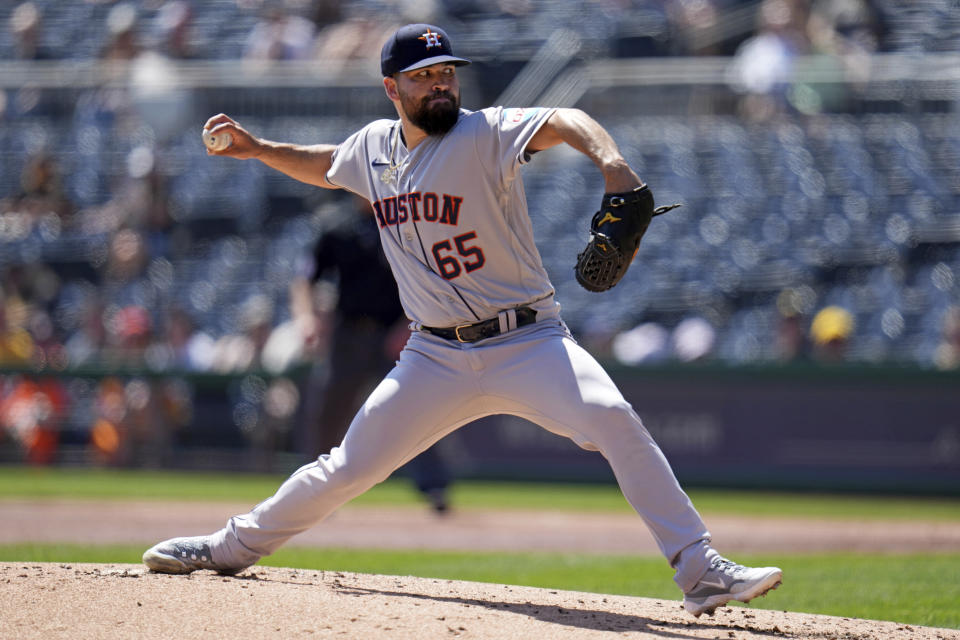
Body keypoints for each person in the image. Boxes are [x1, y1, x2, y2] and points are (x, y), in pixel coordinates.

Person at [142, 23, 782, 618]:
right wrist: (259, 149)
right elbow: (328, 164)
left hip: (529, 339)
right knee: (347, 467)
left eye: (447, 71)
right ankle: (227, 547)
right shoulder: (373, 148)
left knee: (614, 419)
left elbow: (567, 118)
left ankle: (699, 570)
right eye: (424, 75)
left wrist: (611, 164)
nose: (442, 82)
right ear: (392, 89)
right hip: (435, 359)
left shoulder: (485, 132)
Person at [291, 194, 452, 512]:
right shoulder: (336, 225)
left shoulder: (406, 224)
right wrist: (306, 317)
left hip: (395, 334)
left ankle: (434, 487)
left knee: (413, 410)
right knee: (329, 412)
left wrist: (409, 324)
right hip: (348, 334)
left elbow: (430, 281)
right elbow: (305, 278)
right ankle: (308, 491)